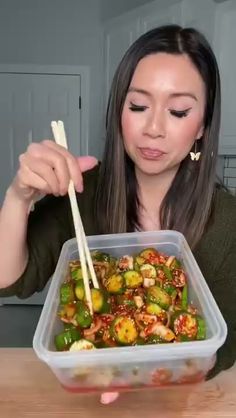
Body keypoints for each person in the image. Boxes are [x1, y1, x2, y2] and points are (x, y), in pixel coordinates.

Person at [0, 24, 235, 405]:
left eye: (178, 111)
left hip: (184, 402)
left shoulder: (227, 221)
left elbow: (228, 338)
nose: (154, 128)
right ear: (118, 111)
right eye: (138, 106)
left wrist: (144, 369)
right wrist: (17, 197)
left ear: (202, 127)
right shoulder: (82, 192)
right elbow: (10, 281)